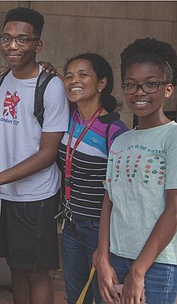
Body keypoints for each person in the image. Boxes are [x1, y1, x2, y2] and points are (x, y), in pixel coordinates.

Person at [0, 7, 69, 303]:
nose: (12, 45)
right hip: (6, 194)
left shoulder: (51, 87)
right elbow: (1, 137)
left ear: (37, 45)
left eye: (22, 39)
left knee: (38, 271)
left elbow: (47, 153)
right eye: (7, 38)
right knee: (16, 264)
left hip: (36, 196)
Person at [94, 37, 177, 304]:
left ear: (168, 89)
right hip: (118, 256)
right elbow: (109, 201)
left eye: (151, 84)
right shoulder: (121, 140)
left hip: (159, 263)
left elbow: (175, 210)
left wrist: (139, 271)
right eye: (131, 85)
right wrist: (103, 257)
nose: (140, 92)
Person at [57, 53, 128, 304]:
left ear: (101, 84)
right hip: (71, 225)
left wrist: (104, 245)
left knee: (102, 295)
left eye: (82, 74)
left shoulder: (114, 131)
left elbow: (118, 193)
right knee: (76, 296)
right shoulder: (68, 119)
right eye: (68, 76)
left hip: (99, 228)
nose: (73, 80)